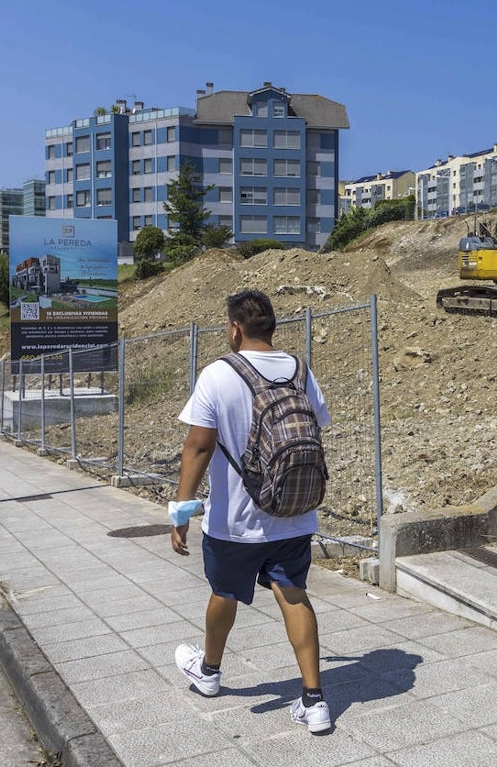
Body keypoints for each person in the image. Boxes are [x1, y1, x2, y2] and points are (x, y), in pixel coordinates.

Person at [171, 289, 333, 733]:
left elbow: (199, 445)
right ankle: (314, 701)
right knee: (294, 594)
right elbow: (315, 429)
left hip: (235, 520)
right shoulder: (301, 370)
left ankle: (208, 673)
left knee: (224, 593)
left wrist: (181, 511)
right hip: (294, 513)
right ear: (272, 327)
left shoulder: (218, 374)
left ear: (235, 328)